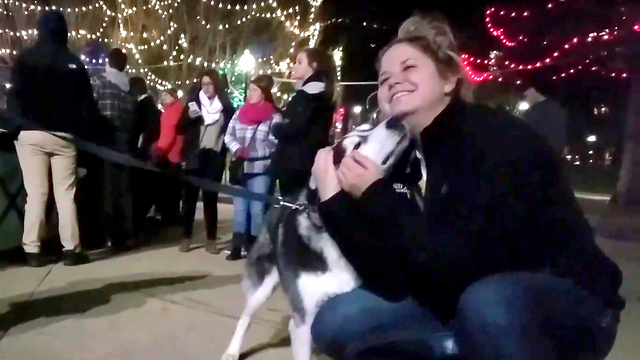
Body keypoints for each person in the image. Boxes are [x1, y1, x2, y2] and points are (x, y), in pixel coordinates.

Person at [310, 14, 624, 360]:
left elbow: (458, 263)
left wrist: (375, 194)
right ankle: (456, 345)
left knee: (487, 304)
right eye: (384, 78)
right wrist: (333, 201)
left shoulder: (492, 137)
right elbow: (388, 275)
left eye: (409, 67)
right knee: (335, 321)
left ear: (449, 79)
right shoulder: (405, 159)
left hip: (567, 299)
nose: (393, 81)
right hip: (461, 294)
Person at [6, 10, 103, 267]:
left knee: (36, 194)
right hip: (63, 136)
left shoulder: (25, 59)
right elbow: (86, 106)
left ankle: (32, 250)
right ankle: (71, 248)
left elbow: (13, 97)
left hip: (30, 132)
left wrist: (16, 126)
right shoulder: (73, 62)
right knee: (65, 194)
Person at [224, 75, 282, 260]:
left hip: (260, 169)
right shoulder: (239, 112)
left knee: (256, 210)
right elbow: (228, 135)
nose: (250, 93)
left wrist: (253, 152)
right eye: (249, 89)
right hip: (240, 168)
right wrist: (237, 149)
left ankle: (254, 247)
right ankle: (236, 246)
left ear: (264, 93)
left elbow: (275, 142)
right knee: (240, 209)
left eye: (254, 90)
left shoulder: (274, 116)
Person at [178, 70, 235, 253]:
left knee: (210, 200)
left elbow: (230, 132)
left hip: (214, 157)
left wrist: (223, 153)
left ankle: (211, 239)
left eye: (210, 84)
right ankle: (186, 237)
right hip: (195, 155)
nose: (206, 87)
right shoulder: (193, 104)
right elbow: (179, 128)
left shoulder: (226, 108)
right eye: (203, 84)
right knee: (189, 200)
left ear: (216, 85)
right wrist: (189, 117)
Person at [269, 47, 337, 198]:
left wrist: (276, 127)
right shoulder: (320, 92)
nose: (294, 66)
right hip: (307, 161)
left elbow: (295, 127)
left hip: (296, 163)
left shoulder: (308, 95)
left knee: (293, 209)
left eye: (299, 62)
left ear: (313, 66)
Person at [91, 48, 136, 252]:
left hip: (104, 140)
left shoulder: (100, 81)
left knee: (106, 188)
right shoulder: (128, 87)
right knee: (124, 189)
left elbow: (90, 108)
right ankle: (125, 235)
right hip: (124, 141)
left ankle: (106, 234)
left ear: (108, 61)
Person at [129, 77, 162, 243]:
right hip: (150, 154)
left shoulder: (141, 107)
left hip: (142, 155)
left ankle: (137, 232)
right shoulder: (153, 106)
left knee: (139, 195)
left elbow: (138, 130)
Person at [150, 88, 184, 225]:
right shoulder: (176, 109)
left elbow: (168, 133)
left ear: (172, 97)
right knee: (173, 188)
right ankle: (171, 214)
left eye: (165, 95)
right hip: (176, 153)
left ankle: (168, 216)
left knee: (169, 187)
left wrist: (159, 149)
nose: (162, 97)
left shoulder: (172, 111)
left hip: (171, 155)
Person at [522, 86, 568, 155]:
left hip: (542, 150)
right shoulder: (555, 106)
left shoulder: (534, 112)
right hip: (553, 150)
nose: (526, 97)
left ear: (534, 92)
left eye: (527, 94)